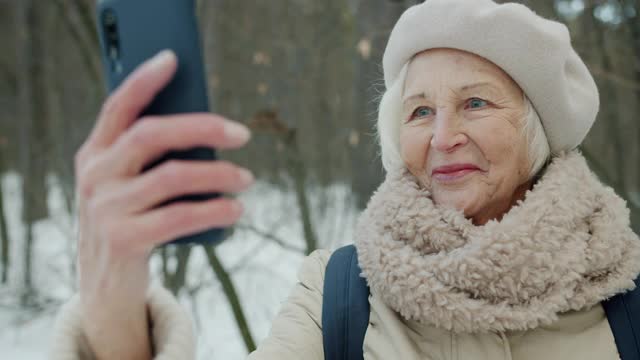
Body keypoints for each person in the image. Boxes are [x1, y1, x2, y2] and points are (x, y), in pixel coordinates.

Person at [50, 0, 640, 359]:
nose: (442, 137)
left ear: (537, 129)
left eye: (477, 103)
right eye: (419, 111)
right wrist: (113, 315)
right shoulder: (339, 292)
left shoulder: (626, 293)